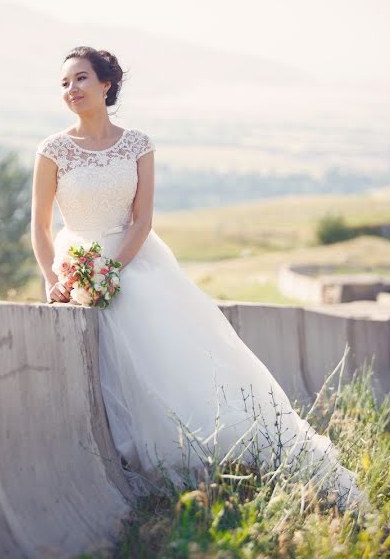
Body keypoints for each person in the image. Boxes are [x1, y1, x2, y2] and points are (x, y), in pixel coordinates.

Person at [30, 46, 368, 511]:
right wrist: (54, 280)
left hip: (134, 262)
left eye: (81, 79)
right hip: (77, 263)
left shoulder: (138, 144)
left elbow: (142, 221)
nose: (72, 90)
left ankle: (223, 464)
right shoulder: (52, 150)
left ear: (106, 85)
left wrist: (111, 270)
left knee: (178, 359)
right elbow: (40, 226)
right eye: (64, 83)